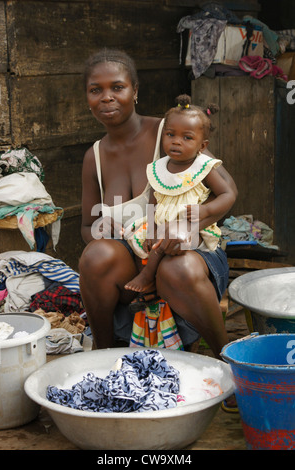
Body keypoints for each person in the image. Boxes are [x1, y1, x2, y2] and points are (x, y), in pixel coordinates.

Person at [79, 48, 238, 361]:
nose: (107, 97)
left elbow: (227, 193)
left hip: (187, 258)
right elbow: (87, 226)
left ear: (135, 91)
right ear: (87, 98)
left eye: (118, 87)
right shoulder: (93, 158)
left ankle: (227, 360)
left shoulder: (171, 134)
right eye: (96, 90)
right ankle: (103, 355)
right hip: (133, 266)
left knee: (174, 265)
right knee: (96, 254)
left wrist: (193, 224)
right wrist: (102, 229)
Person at [123, 94, 235, 297]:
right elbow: (154, 200)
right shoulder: (159, 168)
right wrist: (150, 228)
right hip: (163, 224)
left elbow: (228, 194)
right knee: (140, 236)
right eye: (170, 135)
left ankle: (148, 277)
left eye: (187, 137)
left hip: (191, 229)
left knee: (170, 232)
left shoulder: (203, 168)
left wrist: (206, 209)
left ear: (202, 146)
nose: (176, 142)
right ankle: (154, 284)